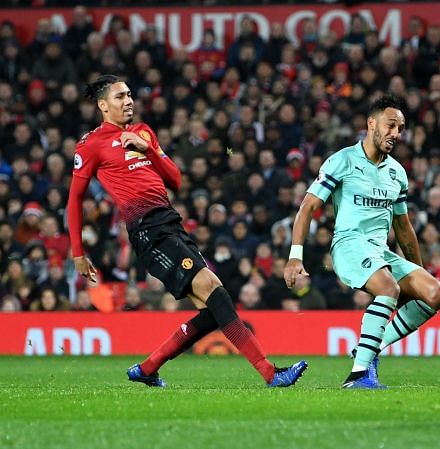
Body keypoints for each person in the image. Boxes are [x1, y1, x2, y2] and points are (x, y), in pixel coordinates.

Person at [67, 75, 306, 388]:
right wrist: (77, 253)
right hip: (147, 230)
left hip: (170, 222)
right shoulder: (91, 144)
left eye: (129, 95)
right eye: (119, 97)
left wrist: (148, 149)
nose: (128, 101)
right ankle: (269, 372)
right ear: (102, 105)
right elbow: (74, 199)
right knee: (215, 292)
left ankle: (148, 368)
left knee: (213, 308)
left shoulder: (143, 132)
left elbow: (176, 180)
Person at [285, 95, 440, 389]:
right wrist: (295, 256)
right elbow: (307, 207)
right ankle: (358, 375)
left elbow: (403, 226)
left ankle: (367, 349)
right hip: (348, 245)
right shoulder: (342, 160)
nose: (396, 134)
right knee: (388, 288)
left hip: (381, 252)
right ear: (371, 123)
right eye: (390, 125)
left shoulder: (397, 173)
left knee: (435, 293)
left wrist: (418, 272)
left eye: (400, 128)